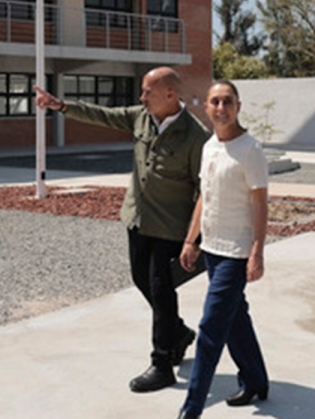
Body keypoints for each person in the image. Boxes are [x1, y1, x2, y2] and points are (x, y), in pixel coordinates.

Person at [33, 67, 210, 392]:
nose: (141, 98)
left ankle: (162, 364)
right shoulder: (140, 117)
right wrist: (61, 106)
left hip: (169, 227)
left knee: (161, 288)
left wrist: (193, 239)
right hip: (137, 219)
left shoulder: (196, 137)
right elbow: (103, 115)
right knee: (141, 278)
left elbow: (205, 192)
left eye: (147, 92)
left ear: (170, 95)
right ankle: (180, 333)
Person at [176, 80, 270, 419]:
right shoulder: (209, 146)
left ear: (238, 107)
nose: (221, 108)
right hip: (212, 247)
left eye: (227, 101)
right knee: (235, 319)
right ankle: (257, 380)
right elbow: (205, 195)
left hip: (237, 249)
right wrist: (191, 240)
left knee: (211, 328)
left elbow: (261, 204)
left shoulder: (250, 149)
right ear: (206, 108)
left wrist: (257, 250)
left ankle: (192, 408)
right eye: (215, 101)